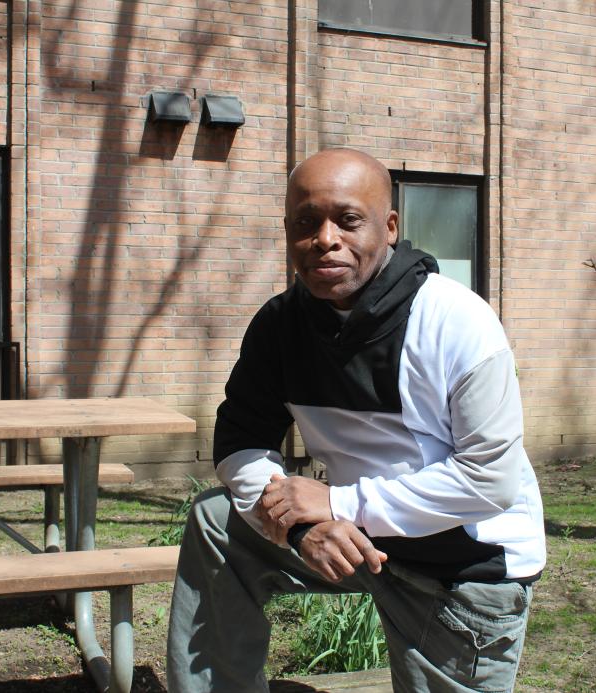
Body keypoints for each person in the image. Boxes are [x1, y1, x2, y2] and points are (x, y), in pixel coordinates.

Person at [166, 148, 546, 693]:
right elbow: (239, 442)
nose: (325, 238)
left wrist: (339, 503)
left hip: (461, 565)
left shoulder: (458, 322)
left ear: (389, 227)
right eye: (306, 223)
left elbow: (490, 480)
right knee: (218, 520)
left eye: (347, 220)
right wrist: (301, 528)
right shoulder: (281, 327)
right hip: (349, 538)